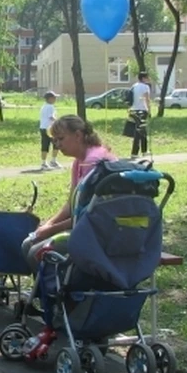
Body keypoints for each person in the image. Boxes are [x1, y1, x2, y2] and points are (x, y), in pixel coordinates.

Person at [20, 115, 116, 353]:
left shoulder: (94, 164)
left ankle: (60, 308)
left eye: (61, 139)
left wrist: (51, 230)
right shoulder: (79, 161)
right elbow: (72, 204)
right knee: (30, 242)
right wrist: (48, 224)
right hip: (83, 228)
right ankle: (52, 302)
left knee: (35, 251)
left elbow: (87, 216)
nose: (57, 145)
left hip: (95, 234)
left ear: (79, 135)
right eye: (54, 140)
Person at [129, 71, 151, 159]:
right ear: (143, 78)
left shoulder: (134, 86)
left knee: (140, 131)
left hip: (133, 110)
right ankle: (136, 152)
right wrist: (149, 110)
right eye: (147, 77)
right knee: (140, 131)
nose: (148, 79)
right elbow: (147, 99)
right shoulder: (145, 87)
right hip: (142, 110)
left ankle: (143, 151)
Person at [39, 91, 61, 170]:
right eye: (54, 97)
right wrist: (59, 122)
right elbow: (51, 117)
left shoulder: (44, 106)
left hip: (43, 127)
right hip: (49, 128)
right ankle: (53, 161)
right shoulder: (50, 107)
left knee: (45, 144)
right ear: (50, 99)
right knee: (57, 144)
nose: (55, 99)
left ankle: (43, 163)